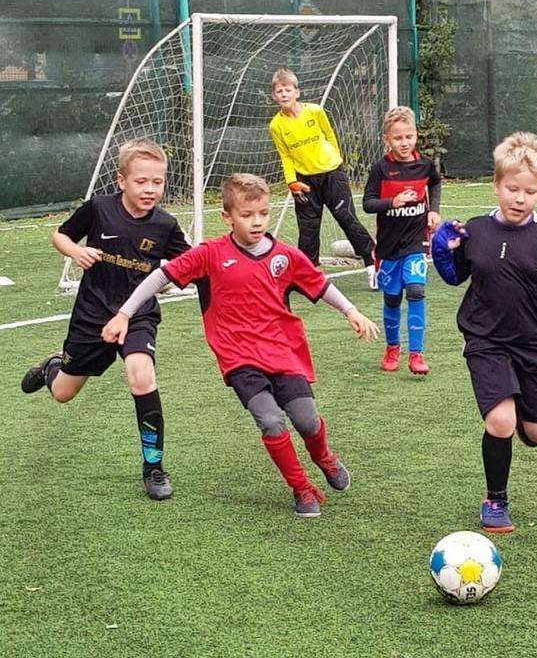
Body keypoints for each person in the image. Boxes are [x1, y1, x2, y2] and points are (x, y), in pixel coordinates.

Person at [101, 173, 380, 518]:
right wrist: (125, 313)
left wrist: (351, 311)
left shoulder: (285, 256)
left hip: (283, 353)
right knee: (271, 421)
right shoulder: (209, 254)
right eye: (247, 215)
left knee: (306, 420)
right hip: (239, 359)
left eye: (263, 213)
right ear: (227, 217)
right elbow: (160, 276)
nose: (257, 221)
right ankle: (301, 488)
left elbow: (319, 284)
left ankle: (323, 457)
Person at [20, 138, 192, 500]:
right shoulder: (99, 209)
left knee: (141, 375)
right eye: (141, 181)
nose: (150, 189)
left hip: (138, 314)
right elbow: (60, 235)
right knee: (63, 394)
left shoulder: (165, 224)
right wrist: (76, 251)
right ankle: (53, 365)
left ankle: (154, 468)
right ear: (121, 181)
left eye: (157, 182)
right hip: (92, 315)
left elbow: (190, 263)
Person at [432, 132, 537, 533]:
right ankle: (495, 499)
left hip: (532, 344)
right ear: (496, 186)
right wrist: (441, 250)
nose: (520, 199)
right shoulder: (476, 231)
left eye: (530, 192)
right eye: (512, 189)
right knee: (500, 421)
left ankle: (520, 420)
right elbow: (454, 276)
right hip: (485, 341)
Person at [268, 67, 377, 289]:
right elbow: (285, 156)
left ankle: (372, 263)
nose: (284, 94)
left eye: (288, 90)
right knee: (308, 229)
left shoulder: (315, 112)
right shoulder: (276, 125)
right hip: (304, 182)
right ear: (274, 96)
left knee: (346, 217)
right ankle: (308, 275)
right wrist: (291, 182)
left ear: (297, 92)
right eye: (279, 91)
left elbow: (329, 135)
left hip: (332, 174)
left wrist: (336, 161)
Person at [363, 106, 442, 376]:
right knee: (393, 298)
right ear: (387, 139)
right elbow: (368, 204)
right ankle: (392, 347)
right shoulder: (381, 169)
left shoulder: (425, 165)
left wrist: (433, 210)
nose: (404, 143)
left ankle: (416, 354)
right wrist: (391, 202)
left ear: (416, 135)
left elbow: (435, 182)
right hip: (389, 246)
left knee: (416, 290)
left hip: (416, 241)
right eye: (398, 138)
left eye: (409, 136)